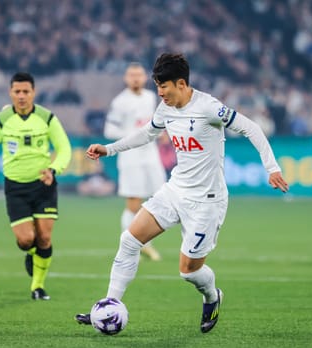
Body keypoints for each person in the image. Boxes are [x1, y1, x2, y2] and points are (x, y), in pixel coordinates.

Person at [75, 53, 288, 333]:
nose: (160, 93)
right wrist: (109, 148)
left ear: (182, 83)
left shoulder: (209, 108)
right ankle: (109, 306)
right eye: (157, 87)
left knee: (188, 271)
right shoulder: (166, 108)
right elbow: (147, 134)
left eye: (164, 87)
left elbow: (251, 128)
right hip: (175, 190)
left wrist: (272, 168)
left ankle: (212, 297)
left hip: (207, 202)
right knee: (129, 240)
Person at [0, 72, 72, 300]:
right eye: (17, 91)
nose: (21, 96)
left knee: (45, 238)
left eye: (26, 92)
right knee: (27, 239)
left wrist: (54, 170)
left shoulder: (47, 118)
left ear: (33, 93)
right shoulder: (1, 120)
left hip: (43, 185)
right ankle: (31, 253)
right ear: (10, 93)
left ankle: (37, 287)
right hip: (16, 188)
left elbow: (64, 148)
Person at [104, 62, 167, 261]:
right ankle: (130, 248)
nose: (136, 78)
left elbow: (152, 124)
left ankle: (144, 242)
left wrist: (160, 132)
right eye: (132, 75)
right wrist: (134, 135)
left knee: (159, 198)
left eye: (139, 74)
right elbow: (109, 130)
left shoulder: (150, 97)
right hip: (131, 157)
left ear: (144, 77)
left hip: (150, 155)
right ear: (126, 78)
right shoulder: (120, 101)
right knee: (133, 202)